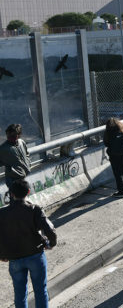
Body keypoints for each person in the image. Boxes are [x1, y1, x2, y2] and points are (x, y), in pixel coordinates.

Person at [0, 179, 57, 308]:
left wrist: (2, 254)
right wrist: (51, 243)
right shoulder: (34, 209)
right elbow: (50, 230)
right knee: (40, 290)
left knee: (20, 293)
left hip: (14, 259)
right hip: (35, 255)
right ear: (28, 192)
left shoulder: (2, 213)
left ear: (12, 194)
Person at [103, 117, 123, 198]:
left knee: (117, 173)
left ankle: (121, 191)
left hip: (114, 155)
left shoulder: (108, 132)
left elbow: (106, 143)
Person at [1, 124, 31, 190]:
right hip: (12, 179)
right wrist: (11, 168)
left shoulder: (21, 142)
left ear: (19, 135)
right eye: (8, 135)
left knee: (22, 196)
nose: (10, 137)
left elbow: (26, 154)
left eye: (13, 135)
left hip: (23, 175)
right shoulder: (3, 148)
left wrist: (28, 163)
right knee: (15, 198)